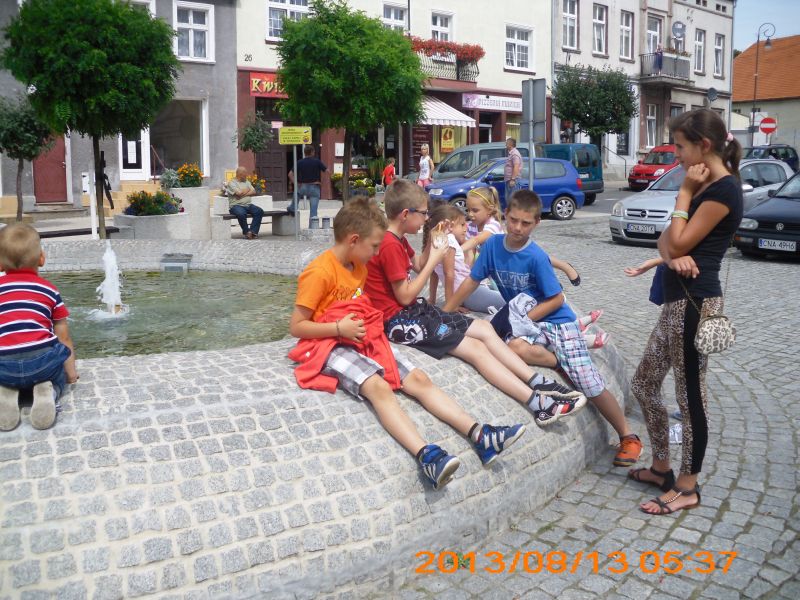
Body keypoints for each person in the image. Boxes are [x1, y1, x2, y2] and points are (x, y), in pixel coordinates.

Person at [287, 197, 526, 490]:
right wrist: (339, 328)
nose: (376, 252)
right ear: (354, 240)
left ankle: (480, 435)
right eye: (374, 246)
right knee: (377, 386)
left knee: (419, 379)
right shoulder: (319, 272)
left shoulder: (357, 265)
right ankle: (427, 455)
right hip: (330, 342)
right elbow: (297, 327)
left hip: (358, 335)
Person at [364, 179, 587, 428]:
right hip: (398, 320)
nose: (426, 219)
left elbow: (417, 265)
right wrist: (436, 258)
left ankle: (537, 381)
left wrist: (434, 241)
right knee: (475, 348)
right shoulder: (388, 245)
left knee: (484, 328)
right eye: (424, 213)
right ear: (406, 214)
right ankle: (538, 403)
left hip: (412, 311)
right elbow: (405, 295)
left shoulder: (399, 239)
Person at [443, 189, 642, 467]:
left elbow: (557, 299)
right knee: (512, 347)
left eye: (525, 223)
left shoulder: (536, 256)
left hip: (556, 321)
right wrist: (445, 312)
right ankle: (556, 362)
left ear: (536, 223)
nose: (517, 228)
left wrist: (524, 319)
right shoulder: (492, 246)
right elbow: (471, 282)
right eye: (513, 220)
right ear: (505, 215)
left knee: (587, 381)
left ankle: (627, 435)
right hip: (528, 322)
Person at [629, 108, 743, 516]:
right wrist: (673, 254)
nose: (675, 155)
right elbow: (666, 242)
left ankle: (687, 486)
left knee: (690, 396)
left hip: (696, 303)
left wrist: (683, 194)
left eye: (679, 146)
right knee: (644, 383)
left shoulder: (722, 191)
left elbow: (676, 242)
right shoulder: (705, 186)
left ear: (704, 145)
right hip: (676, 302)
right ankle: (662, 467)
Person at [0, 223, 78, 431]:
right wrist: (70, 374)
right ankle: (49, 391)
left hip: (4, 367)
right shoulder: (49, 290)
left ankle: (6, 392)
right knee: (57, 369)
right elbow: (63, 337)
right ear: (41, 259)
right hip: (42, 365)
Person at [425, 204, 505, 314]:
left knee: (507, 295)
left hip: (466, 292)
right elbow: (449, 274)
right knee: (510, 302)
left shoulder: (436, 240)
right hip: (468, 293)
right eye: (462, 225)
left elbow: (434, 272)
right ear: (450, 226)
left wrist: (432, 299)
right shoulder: (449, 240)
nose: (465, 228)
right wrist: (451, 305)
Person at [288, 146, 327, 222]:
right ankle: (313, 226)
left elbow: (290, 174)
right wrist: (322, 182)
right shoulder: (317, 162)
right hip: (314, 186)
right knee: (313, 211)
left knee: (297, 192)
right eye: (314, 152)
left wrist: (296, 183)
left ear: (304, 153)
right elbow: (327, 171)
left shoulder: (299, 162)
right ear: (312, 152)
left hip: (302, 186)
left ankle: (292, 208)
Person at [224, 167, 264, 240]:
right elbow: (239, 193)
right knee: (241, 214)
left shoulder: (247, 182)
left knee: (259, 211)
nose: (247, 175)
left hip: (248, 205)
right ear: (240, 174)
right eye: (245, 174)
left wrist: (243, 194)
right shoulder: (232, 183)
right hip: (236, 206)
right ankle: (247, 232)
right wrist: (248, 189)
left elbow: (254, 191)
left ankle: (252, 232)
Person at [504, 138, 523, 208]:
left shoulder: (515, 154)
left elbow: (516, 166)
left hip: (513, 181)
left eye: (506, 143)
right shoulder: (511, 153)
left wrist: (513, 179)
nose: (505, 145)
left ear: (510, 144)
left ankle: (514, 214)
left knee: (513, 200)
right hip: (509, 180)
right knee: (509, 200)